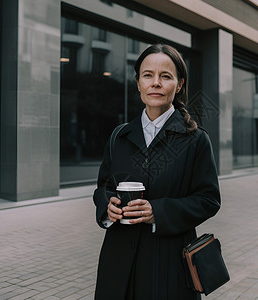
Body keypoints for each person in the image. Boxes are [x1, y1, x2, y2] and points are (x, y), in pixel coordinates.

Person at [93, 44, 221, 300]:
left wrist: (157, 212)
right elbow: (103, 187)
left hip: (168, 262)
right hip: (118, 262)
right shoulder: (120, 136)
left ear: (180, 84)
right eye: (148, 75)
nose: (156, 83)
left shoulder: (195, 139)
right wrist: (108, 206)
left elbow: (208, 200)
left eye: (166, 76)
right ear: (138, 82)